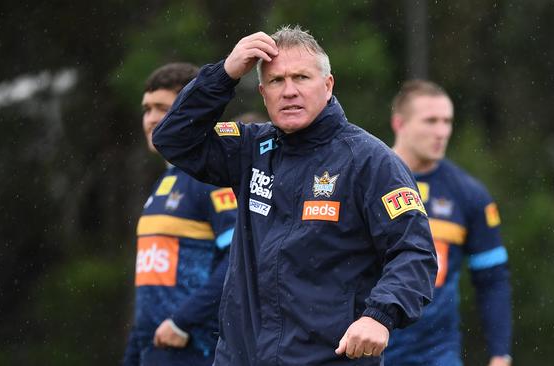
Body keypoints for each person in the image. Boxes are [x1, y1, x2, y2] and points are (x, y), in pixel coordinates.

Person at [152, 26, 438, 365]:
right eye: (276, 81)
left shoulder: (370, 161)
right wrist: (225, 74)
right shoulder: (251, 148)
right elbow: (172, 138)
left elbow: (414, 252)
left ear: (328, 85)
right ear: (262, 92)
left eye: (301, 78)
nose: (289, 91)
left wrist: (379, 315)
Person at [386, 80, 512, 366]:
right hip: (368, 348)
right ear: (399, 123)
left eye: (447, 121)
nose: (441, 132)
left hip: (437, 353)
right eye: (430, 121)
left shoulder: (470, 194)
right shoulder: (365, 177)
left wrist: (500, 354)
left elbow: (492, 280)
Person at [122, 63, 238, 366]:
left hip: (195, 348)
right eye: (146, 109)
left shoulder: (210, 178)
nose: (151, 119)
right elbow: (153, 287)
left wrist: (182, 322)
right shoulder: (165, 181)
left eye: (161, 108)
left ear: (189, 107)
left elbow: (237, 258)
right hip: (156, 348)